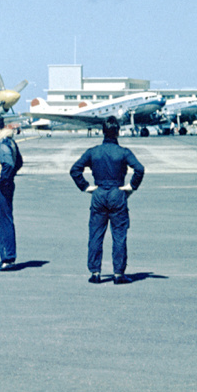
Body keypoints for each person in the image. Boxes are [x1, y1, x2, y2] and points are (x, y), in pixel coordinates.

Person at [70, 116, 144, 285]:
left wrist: (86, 187)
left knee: (96, 234)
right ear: (117, 132)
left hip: (99, 193)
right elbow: (139, 169)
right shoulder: (123, 152)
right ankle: (118, 273)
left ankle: (95, 272)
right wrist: (131, 187)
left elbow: (75, 169)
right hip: (117, 192)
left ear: (103, 132)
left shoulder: (93, 151)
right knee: (119, 235)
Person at [0, 114, 22, 271]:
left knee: (2, 222)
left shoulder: (3, 142)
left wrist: (0, 179)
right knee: (4, 220)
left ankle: (7, 259)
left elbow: (8, 163)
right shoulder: (8, 140)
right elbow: (19, 162)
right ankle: (7, 258)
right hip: (7, 184)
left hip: (3, 186)